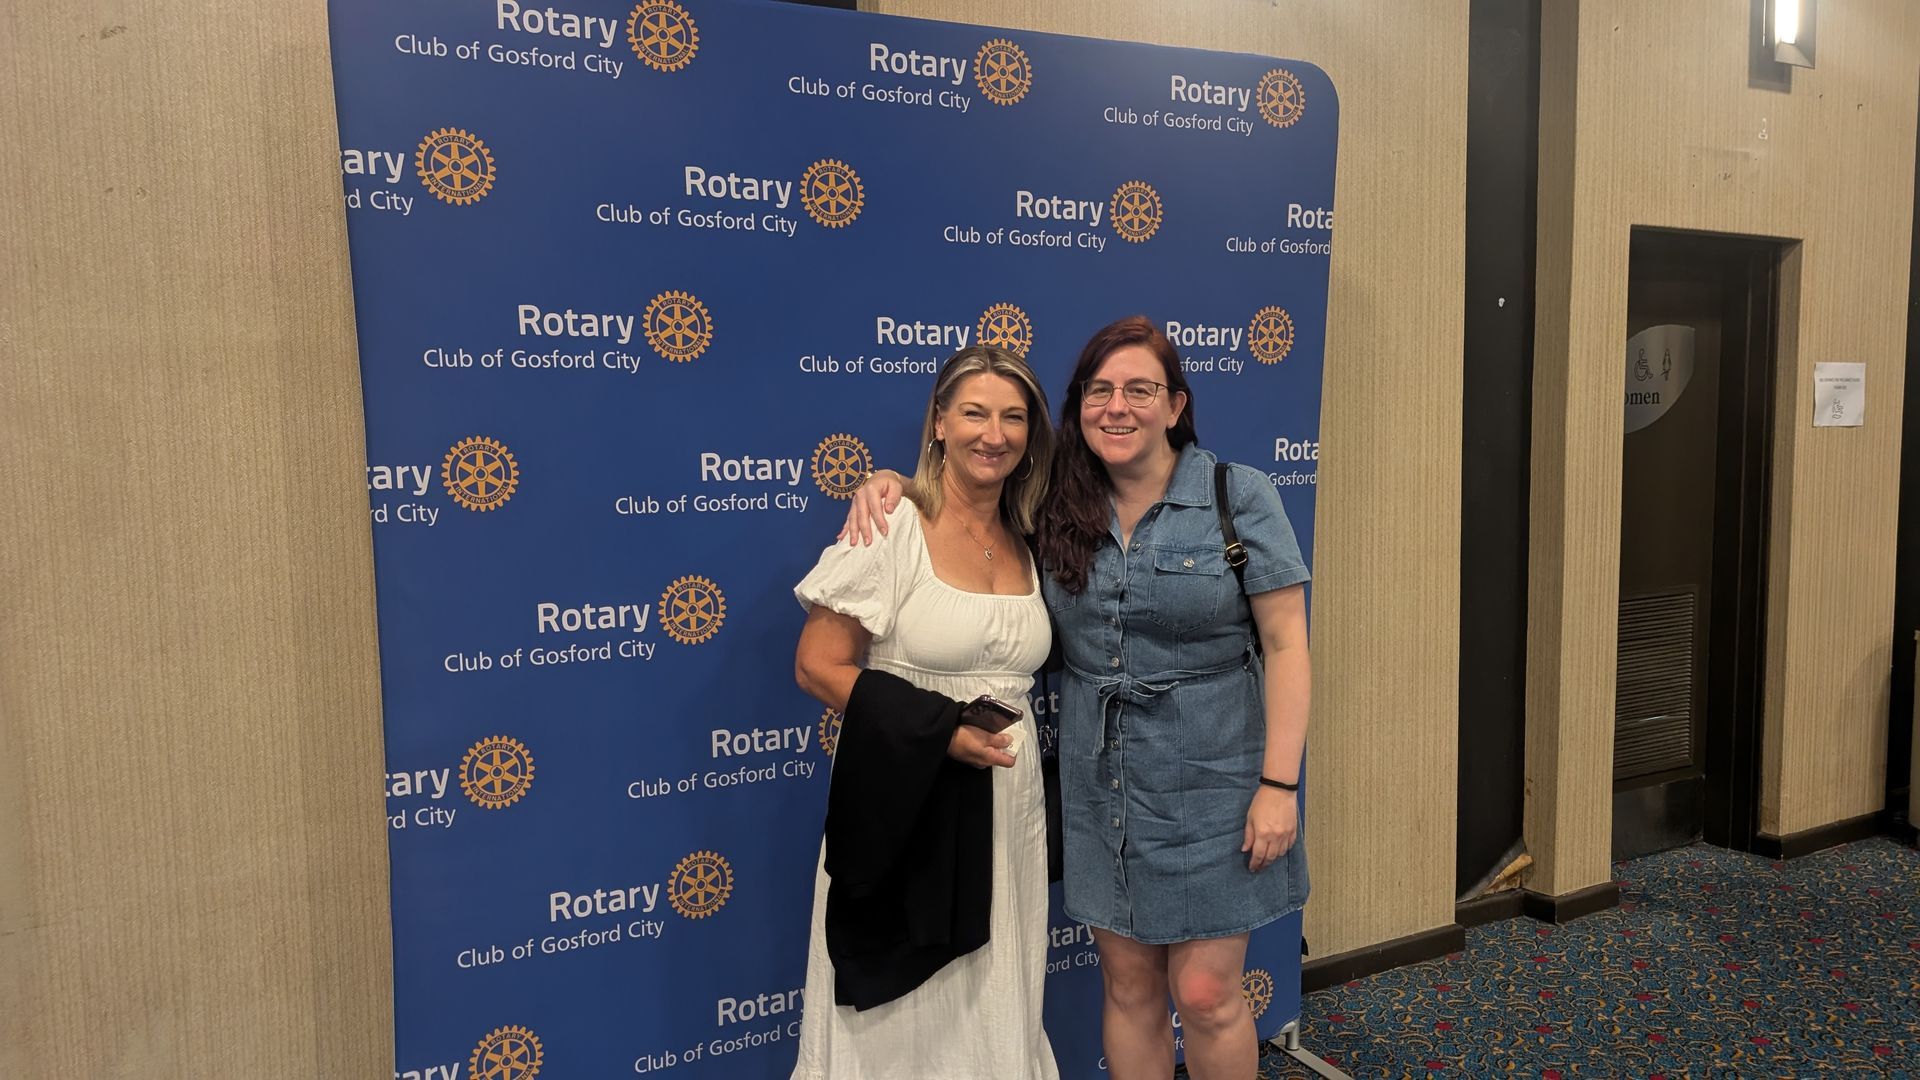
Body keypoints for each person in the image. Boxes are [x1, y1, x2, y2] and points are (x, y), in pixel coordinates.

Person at [840, 316, 1312, 1080]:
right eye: (1100, 390)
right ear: (1079, 404)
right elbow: (964, 505)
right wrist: (894, 487)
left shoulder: (1238, 495)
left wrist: (1280, 784)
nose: (1117, 407)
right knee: (1128, 988)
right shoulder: (1052, 503)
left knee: (1206, 993)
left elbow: (1288, 646)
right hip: (1105, 790)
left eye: (1139, 390)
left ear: (1175, 404)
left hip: (1219, 783)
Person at [790, 346, 1061, 1080]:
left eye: (1013, 417)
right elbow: (816, 665)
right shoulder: (891, 524)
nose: (993, 434)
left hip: (1009, 811)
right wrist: (940, 735)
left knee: (993, 996)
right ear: (939, 422)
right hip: (905, 801)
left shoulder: (1028, 534)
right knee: (900, 1021)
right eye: (973, 412)